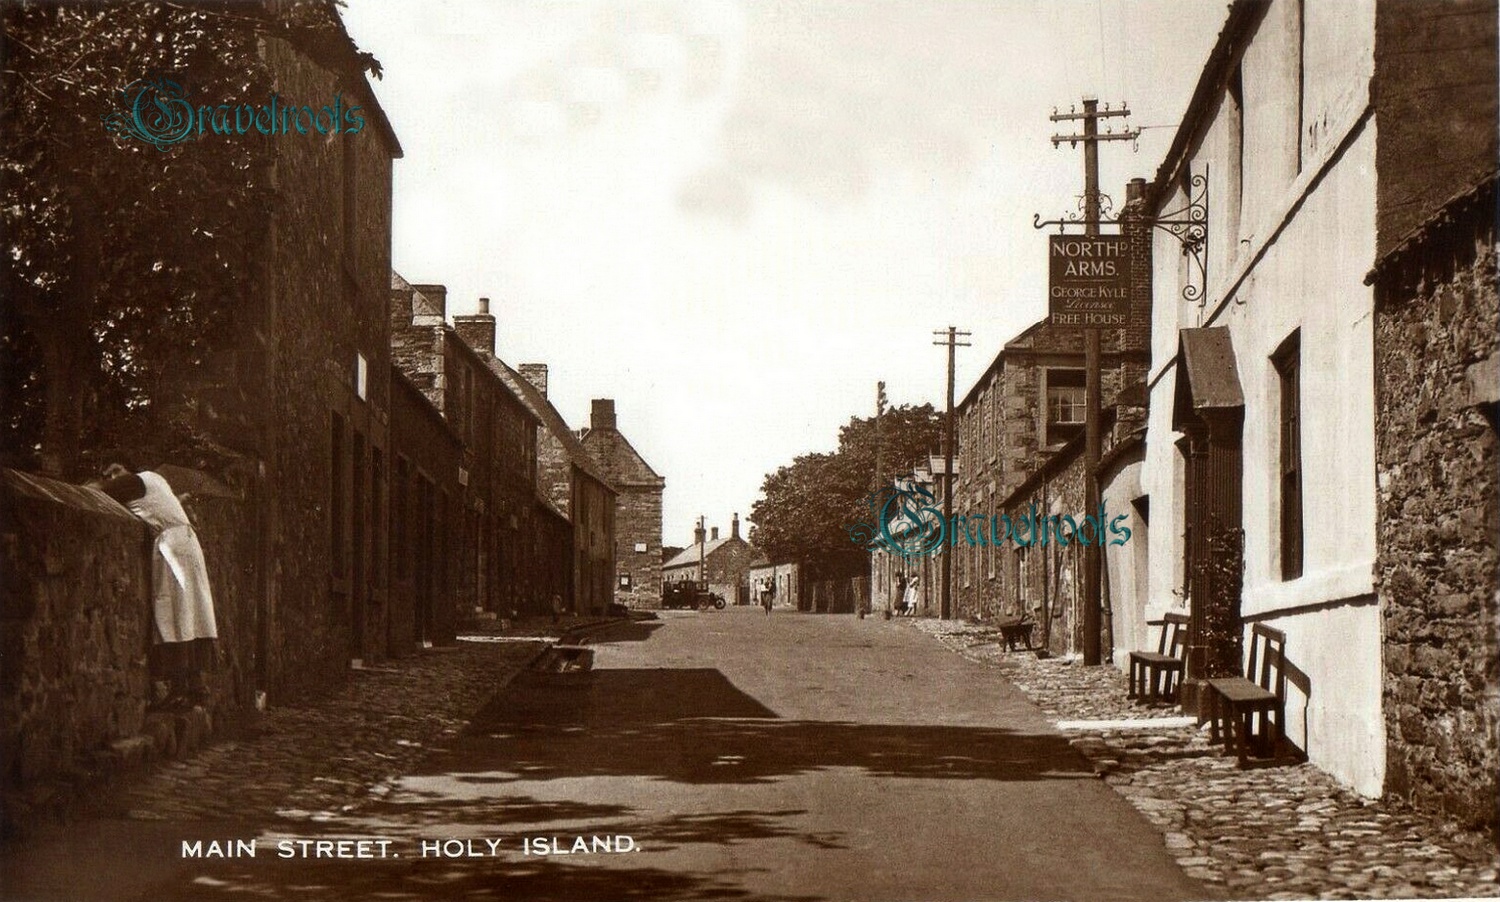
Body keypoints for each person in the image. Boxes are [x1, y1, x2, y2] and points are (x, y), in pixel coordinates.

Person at [89, 464, 217, 709]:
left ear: (125, 470)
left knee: (175, 615)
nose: (113, 477)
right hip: (187, 541)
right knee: (192, 614)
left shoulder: (133, 482)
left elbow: (98, 491)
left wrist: (95, 483)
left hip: (173, 546)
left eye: (115, 471)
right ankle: (196, 686)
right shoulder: (156, 480)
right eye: (109, 474)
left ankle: (180, 690)